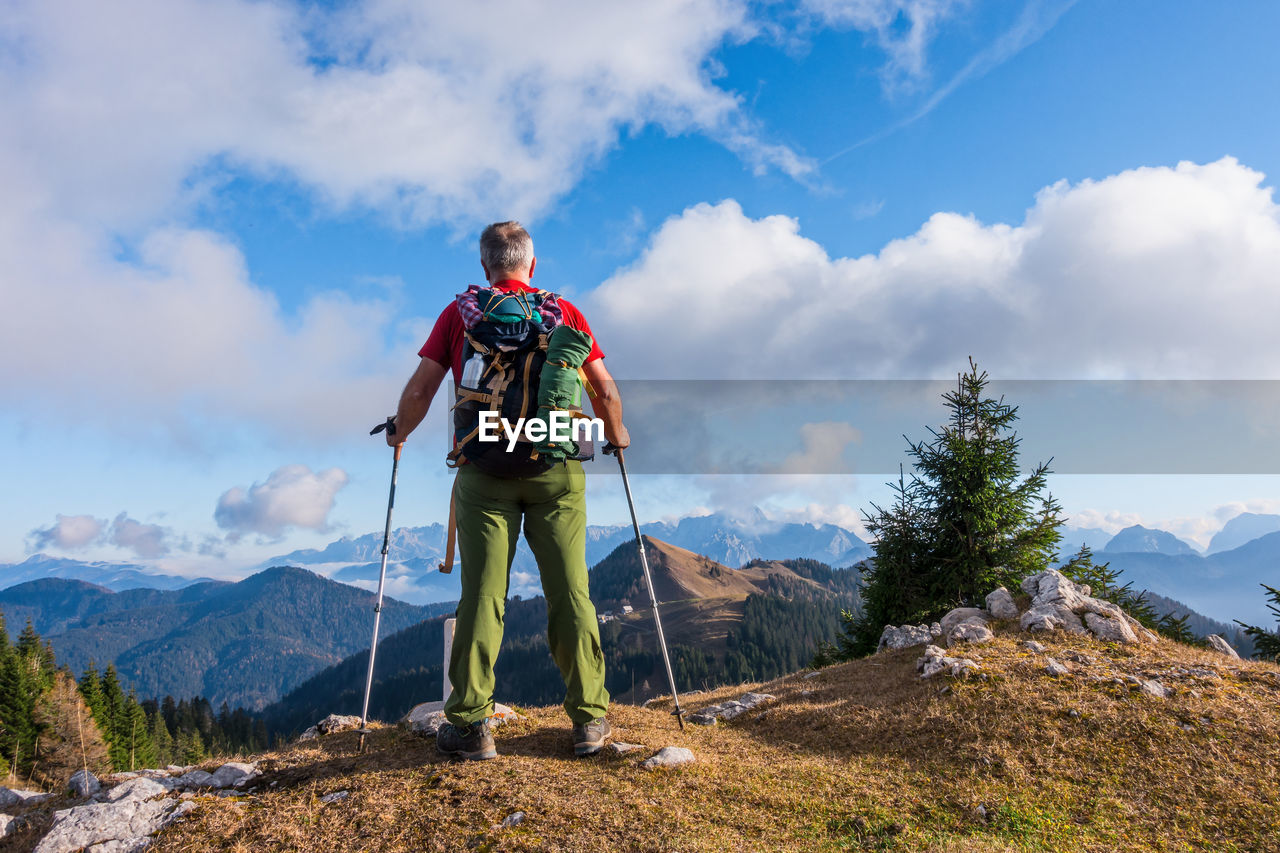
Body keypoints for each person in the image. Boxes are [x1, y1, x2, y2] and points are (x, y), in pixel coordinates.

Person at [385, 221, 630, 760]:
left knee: (483, 595)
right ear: (532, 265)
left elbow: (424, 387)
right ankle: (589, 719)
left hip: (485, 471)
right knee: (570, 591)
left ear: (485, 266)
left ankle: (471, 726)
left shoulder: (460, 315)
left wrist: (399, 432)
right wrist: (617, 434)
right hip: (556, 471)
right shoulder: (564, 313)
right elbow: (604, 390)